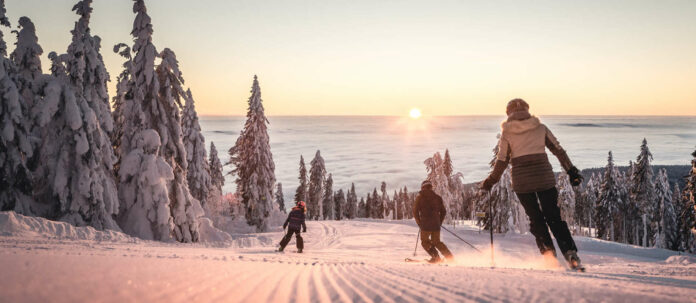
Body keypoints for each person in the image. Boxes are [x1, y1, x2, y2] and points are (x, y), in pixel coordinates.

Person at [480, 98, 584, 270]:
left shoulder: (507, 133)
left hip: (522, 184)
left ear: (509, 113)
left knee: (536, 220)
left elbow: (502, 161)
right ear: (527, 110)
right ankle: (570, 253)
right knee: (554, 217)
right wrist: (571, 171)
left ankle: (548, 255)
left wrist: (490, 181)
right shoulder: (540, 128)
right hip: (544, 179)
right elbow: (558, 150)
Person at [414, 180, 454, 263]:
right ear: (431, 187)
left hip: (425, 225)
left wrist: (419, 223)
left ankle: (436, 257)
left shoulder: (419, 198)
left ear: (423, 187)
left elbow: (415, 211)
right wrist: (439, 222)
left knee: (425, 242)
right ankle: (450, 258)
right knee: (437, 242)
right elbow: (443, 212)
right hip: (436, 225)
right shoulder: (438, 197)